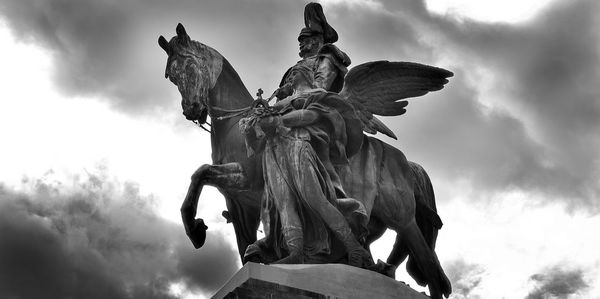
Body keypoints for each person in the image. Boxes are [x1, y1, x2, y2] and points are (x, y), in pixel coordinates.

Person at [242, 64, 371, 267]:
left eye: (294, 73)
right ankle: (296, 252)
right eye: (289, 74)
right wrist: (252, 129)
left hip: (297, 144)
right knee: (284, 204)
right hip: (272, 151)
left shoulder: (316, 94)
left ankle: (354, 247)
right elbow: (256, 145)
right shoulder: (280, 101)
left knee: (316, 199)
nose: (290, 76)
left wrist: (277, 119)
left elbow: (313, 115)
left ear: (308, 75)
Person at [275, 2, 351, 100]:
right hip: (289, 105)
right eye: (300, 41)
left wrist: (293, 89)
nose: (300, 44)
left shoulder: (326, 59)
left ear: (315, 41)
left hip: (314, 104)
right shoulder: (292, 69)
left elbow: (320, 89)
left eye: (304, 40)